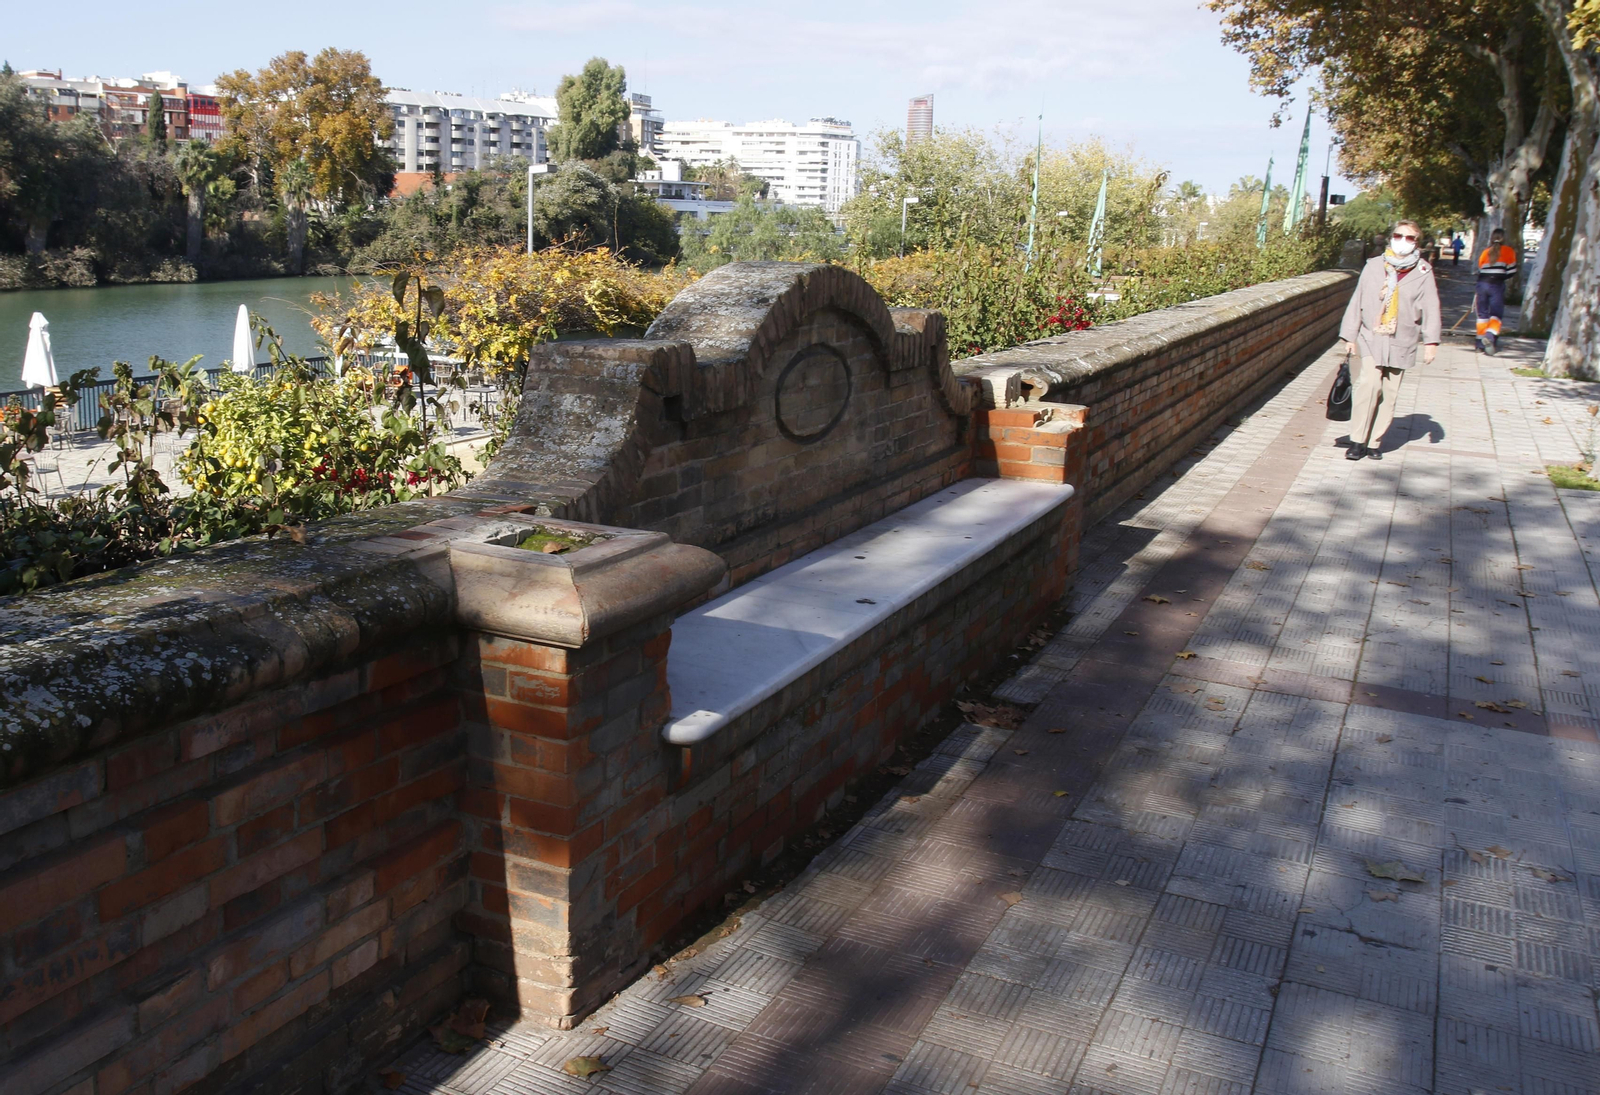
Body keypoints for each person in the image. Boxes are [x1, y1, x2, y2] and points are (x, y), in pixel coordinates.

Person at [1337, 220, 1442, 461]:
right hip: (1372, 335)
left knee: (1389, 392)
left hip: (1402, 337)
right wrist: (1349, 335)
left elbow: (1431, 307)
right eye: (1399, 235)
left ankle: (1375, 441)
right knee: (1369, 384)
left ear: (1417, 243)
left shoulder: (1423, 272)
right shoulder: (1373, 266)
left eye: (1410, 238)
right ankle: (1357, 440)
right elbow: (1358, 299)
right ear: (1391, 237)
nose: (1403, 241)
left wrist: (1431, 343)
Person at [1474, 227, 1518, 355]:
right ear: (1504, 238)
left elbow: (1480, 269)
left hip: (1482, 284)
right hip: (1496, 285)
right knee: (1496, 314)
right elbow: (1512, 271)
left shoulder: (1485, 252)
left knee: (1482, 315)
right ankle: (1490, 336)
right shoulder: (1508, 251)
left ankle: (1479, 344)